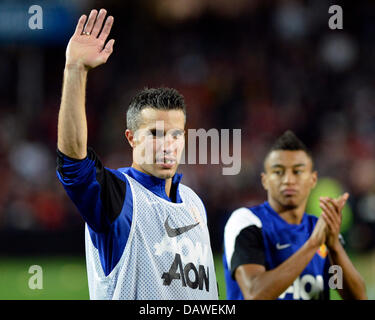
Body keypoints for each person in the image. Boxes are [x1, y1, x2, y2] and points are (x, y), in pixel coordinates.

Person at [56, 9, 218, 300]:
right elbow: (73, 164)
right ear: (131, 138)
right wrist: (75, 70)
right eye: (154, 134)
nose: (167, 143)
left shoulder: (194, 203)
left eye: (175, 134)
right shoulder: (119, 196)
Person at [223, 130, 367, 300]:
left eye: (297, 171)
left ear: (313, 179)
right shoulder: (248, 222)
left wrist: (334, 246)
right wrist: (313, 244)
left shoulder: (320, 229)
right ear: (265, 180)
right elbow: (255, 294)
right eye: (278, 172)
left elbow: (357, 297)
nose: (288, 180)